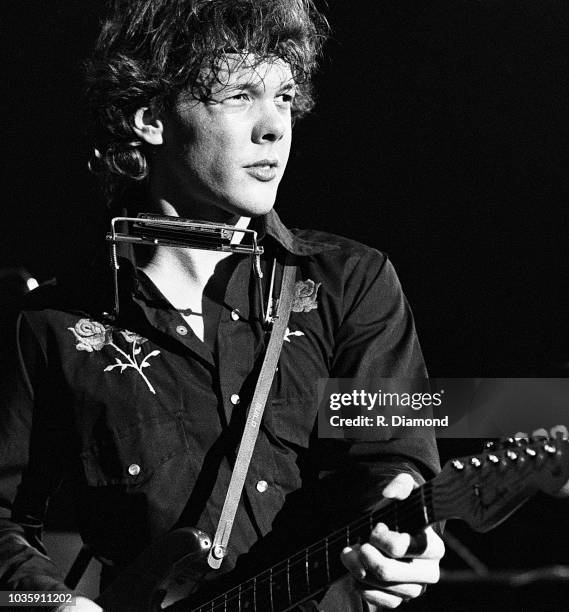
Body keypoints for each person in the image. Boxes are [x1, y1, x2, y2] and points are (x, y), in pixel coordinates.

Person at [0, 1, 444, 610]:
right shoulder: (54, 323)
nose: (274, 128)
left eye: (284, 97)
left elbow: (393, 459)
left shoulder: (352, 281)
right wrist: (49, 604)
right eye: (239, 96)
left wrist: (406, 534)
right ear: (153, 118)